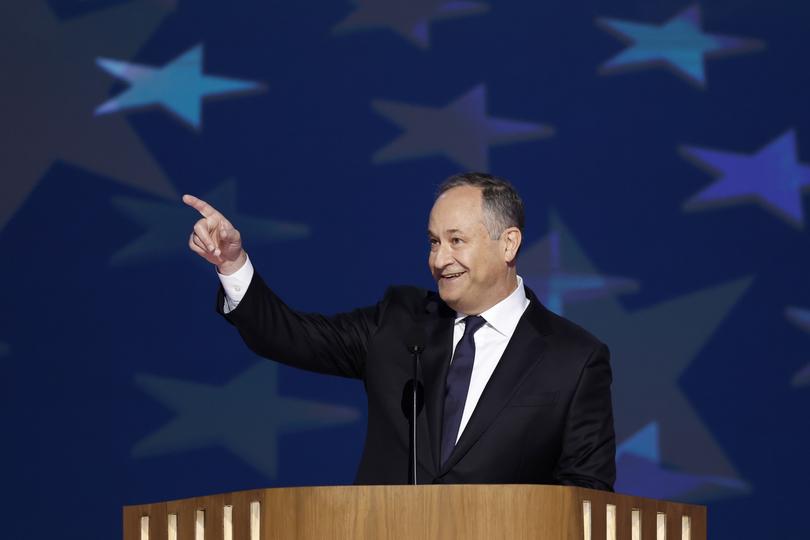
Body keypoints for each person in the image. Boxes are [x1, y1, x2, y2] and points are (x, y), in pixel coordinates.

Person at [184, 172, 616, 489]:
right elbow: (289, 335)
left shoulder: (572, 358)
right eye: (433, 242)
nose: (439, 259)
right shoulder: (398, 322)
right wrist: (232, 266)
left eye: (456, 240)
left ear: (508, 244)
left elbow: (587, 497)